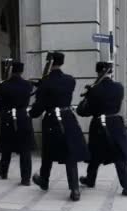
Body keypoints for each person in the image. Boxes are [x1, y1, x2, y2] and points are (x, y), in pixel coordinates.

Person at [29, 52, 90, 201]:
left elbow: (39, 106)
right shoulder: (70, 80)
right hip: (68, 117)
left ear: (49, 62)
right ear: (62, 62)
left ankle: (44, 179)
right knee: (70, 153)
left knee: (48, 152)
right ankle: (74, 188)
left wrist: (32, 112)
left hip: (51, 119)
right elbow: (59, 90)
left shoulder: (46, 82)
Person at [77, 62, 127, 196]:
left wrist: (88, 95)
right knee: (119, 155)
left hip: (98, 124)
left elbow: (83, 111)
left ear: (98, 72)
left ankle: (90, 180)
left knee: (94, 154)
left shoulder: (95, 89)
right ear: (111, 73)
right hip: (115, 123)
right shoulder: (119, 87)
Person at [0, 61, 34, 185]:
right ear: (21, 71)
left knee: (7, 146)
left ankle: (3, 170)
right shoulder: (28, 85)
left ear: (12, 70)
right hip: (22, 116)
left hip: (8, 117)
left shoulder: (4, 85)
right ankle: (26, 178)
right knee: (25, 149)